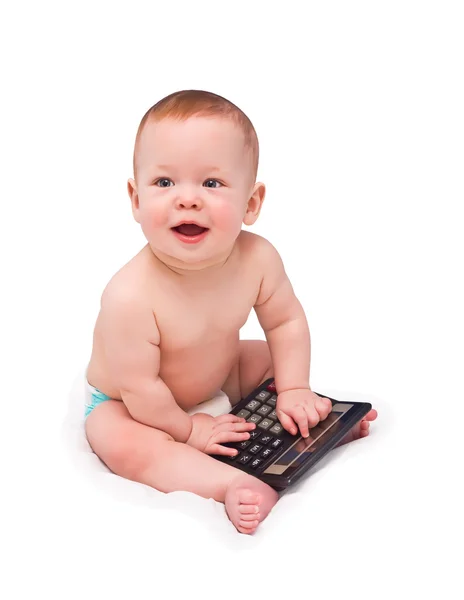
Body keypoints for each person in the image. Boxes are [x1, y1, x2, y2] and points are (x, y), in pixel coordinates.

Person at [84, 89, 378, 534]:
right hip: (133, 403)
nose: (187, 199)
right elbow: (142, 387)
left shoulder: (258, 258)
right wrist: (190, 431)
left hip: (216, 369)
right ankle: (227, 484)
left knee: (265, 356)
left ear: (251, 203)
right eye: (164, 183)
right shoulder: (129, 295)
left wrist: (294, 386)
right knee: (115, 438)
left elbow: (285, 321)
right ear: (136, 198)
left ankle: (315, 423)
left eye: (212, 183)